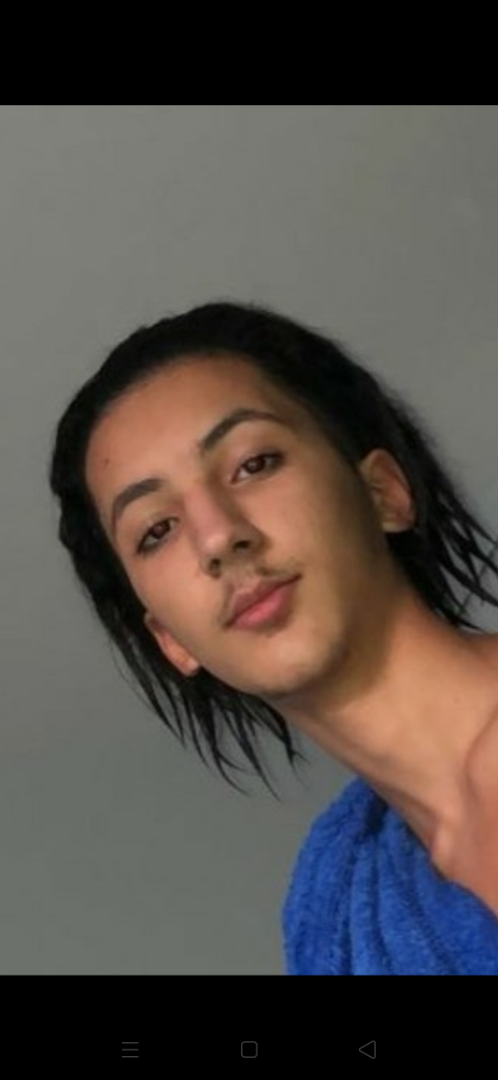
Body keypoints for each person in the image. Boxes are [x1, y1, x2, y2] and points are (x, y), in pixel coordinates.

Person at [48, 301, 498, 974]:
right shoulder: (340, 911)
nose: (217, 536)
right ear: (172, 640)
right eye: (157, 530)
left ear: (384, 491)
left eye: (254, 463)